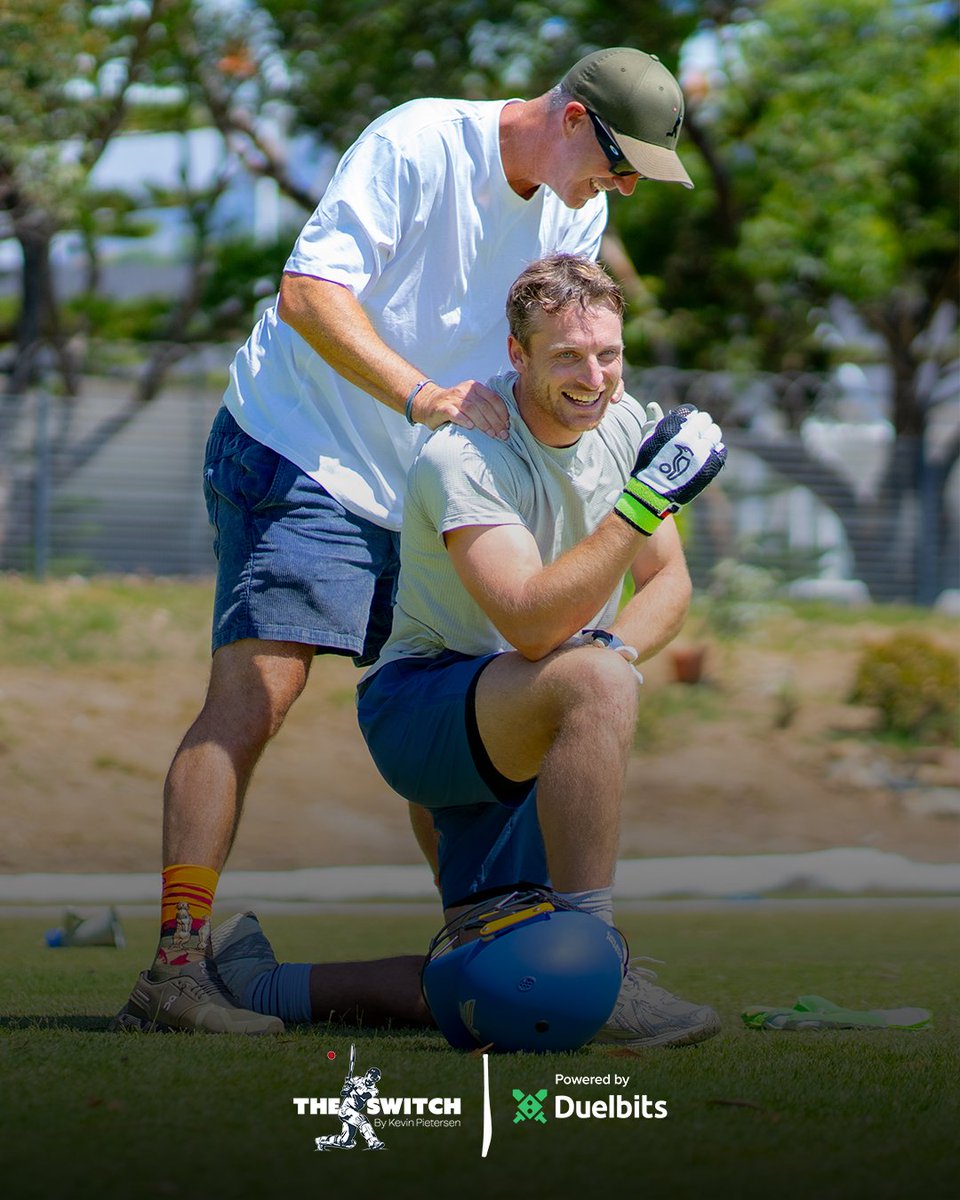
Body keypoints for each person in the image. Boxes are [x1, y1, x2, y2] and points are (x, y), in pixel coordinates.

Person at [112, 48, 697, 1034]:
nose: (625, 185)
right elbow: (310, 294)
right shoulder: (418, 141)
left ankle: (526, 949)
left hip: (425, 482)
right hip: (303, 449)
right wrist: (425, 398)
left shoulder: (576, 208)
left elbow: (550, 353)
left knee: (466, 702)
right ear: (569, 119)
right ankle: (175, 968)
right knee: (261, 692)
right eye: (620, 160)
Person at [209, 253, 726, 1049]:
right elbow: (528, 625)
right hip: (426, 710)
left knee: (495, 981)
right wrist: (643, 505)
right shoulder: (467, 453)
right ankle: (603, 962)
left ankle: (258, 982)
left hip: (524, 709)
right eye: (567, 357)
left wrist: (604, 655)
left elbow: (671, 585)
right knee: (592, 679)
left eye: (609, 354)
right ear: (517, 356)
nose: (595, 377)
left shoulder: (622, 422)